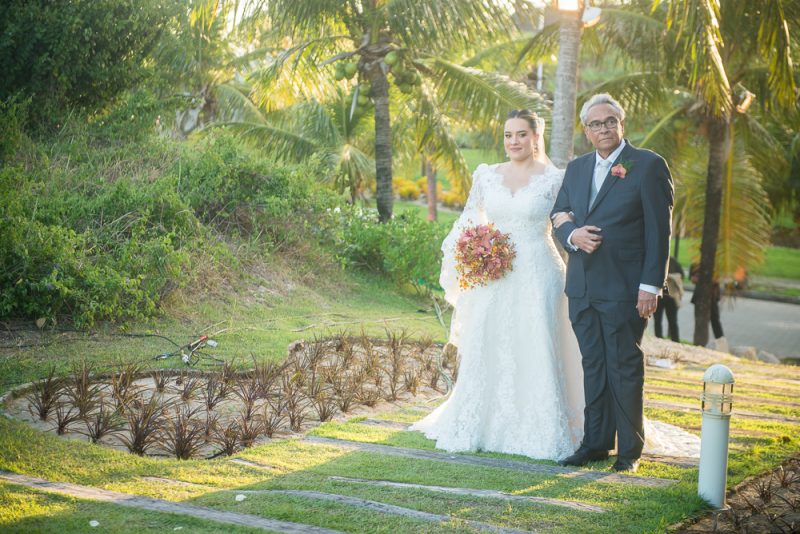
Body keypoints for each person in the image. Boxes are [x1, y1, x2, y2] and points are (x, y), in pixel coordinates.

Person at [412, 108, 698, 464]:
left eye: (521, 134)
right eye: (507, 134)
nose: (513, 141)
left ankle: (622, 447)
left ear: (536, 136)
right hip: (499, 279)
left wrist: (649, 283)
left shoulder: (559, 175)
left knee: (556, 350)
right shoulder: (497, 174)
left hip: (540, 273)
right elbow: (541, 217)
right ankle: (513, 428)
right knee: (512, 348)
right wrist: (475, 250)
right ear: (586, 129)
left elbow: (592, 216)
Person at [550, 93, 674, 473]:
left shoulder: (648, 165)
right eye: (595, 124)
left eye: (609, 121)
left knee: (624, 365)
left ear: (621, 124)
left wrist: (651, 285)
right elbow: (558, 212)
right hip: (583, 286)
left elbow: (660, 230)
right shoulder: (576, 168)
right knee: (594, 366)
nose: (603, 129)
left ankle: (629, 452)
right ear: (586, 131)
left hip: (625, 288)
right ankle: (595, 443)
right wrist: (573, 236)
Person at [690, 263, 728, 352]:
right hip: (699, 298)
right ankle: (699, 344)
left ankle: (721, 344)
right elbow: (692, 279)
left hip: (712, 298)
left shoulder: (715, 265)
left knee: (715, 322)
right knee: (700, 321)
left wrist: (706, 279)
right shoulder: (696, 265)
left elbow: (717, 280)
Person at [654, 257, 684, 342]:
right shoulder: (657, 260)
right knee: (658, 320)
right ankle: (658, 339)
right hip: (659, 296)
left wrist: (670, 276)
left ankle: (675, 340)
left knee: (672, 321)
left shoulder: (673, 261)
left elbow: (681, 275)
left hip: (671, 296)